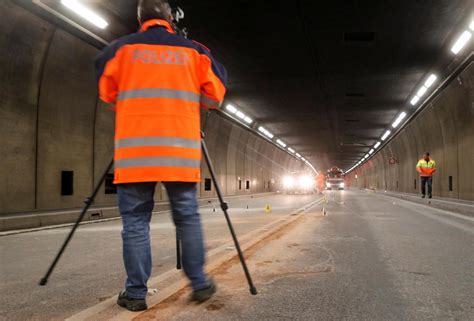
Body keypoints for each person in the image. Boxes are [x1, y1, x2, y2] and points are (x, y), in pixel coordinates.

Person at [95, 0, 227, 311]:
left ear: (140, 18)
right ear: (170, 18)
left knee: (136, 222)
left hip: (135, 151)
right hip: (179, 150)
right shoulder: (193, 51)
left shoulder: (120, 49)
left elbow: (107, 93)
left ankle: (136, 293)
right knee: (186, 216)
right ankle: (199, 283)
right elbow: (215, 94)